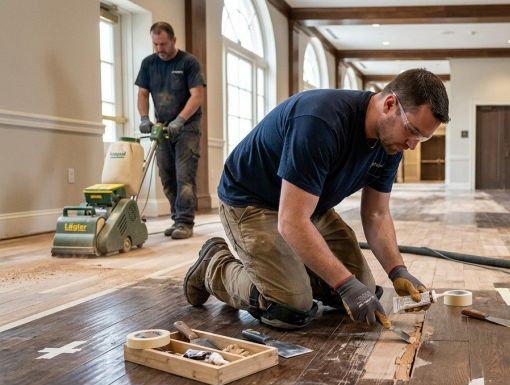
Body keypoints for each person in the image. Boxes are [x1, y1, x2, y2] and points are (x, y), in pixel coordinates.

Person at [183, 69, 450, 330]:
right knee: (291, 306)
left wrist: (397, 271)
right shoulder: (321, 120)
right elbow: (291, 222)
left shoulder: (390, 144)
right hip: (253, 202)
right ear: (390, 104)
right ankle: (214, 265)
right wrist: (344, 283)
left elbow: (376, 214)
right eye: (411, 131)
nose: (412, 144)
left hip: (309, 206)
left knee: (365, 290)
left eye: (421, 138)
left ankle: (290, 267)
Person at [135, 21, 206, 239]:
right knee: (166, 176)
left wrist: (180, 120)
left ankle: (185, 222)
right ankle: (177, 219)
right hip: (161, 127)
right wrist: (145, 117)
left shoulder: (189, 63)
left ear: (174, 40)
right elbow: (143, 94)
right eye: (155, 44)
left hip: (187, 127)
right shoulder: (148, 63)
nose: (159, 49)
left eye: (163, 44)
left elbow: (197, 95)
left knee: (184, 175)